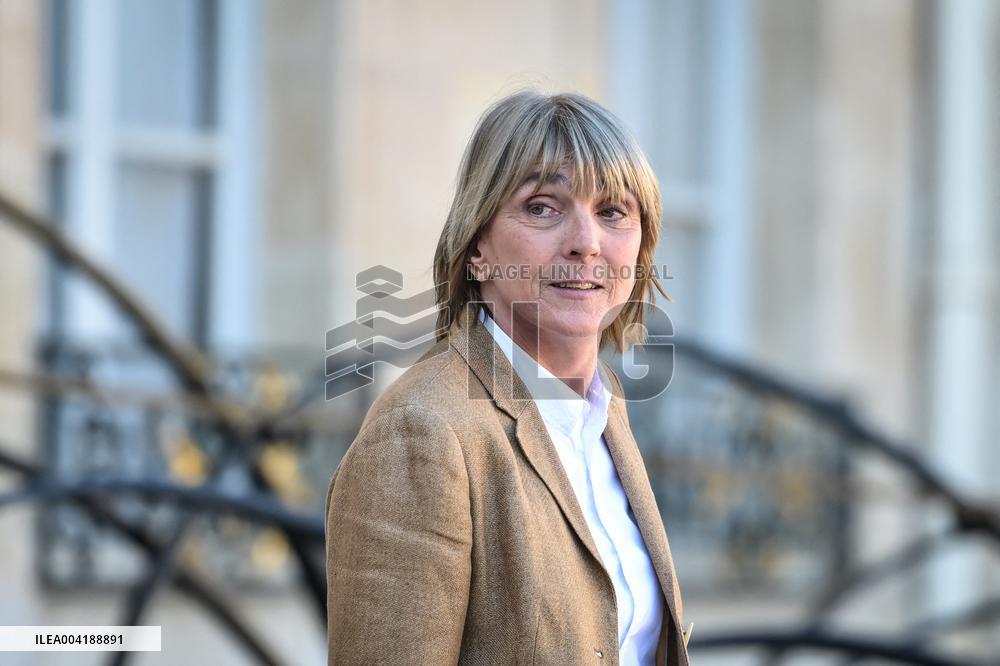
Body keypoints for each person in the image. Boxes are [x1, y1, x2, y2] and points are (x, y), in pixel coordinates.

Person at [325, 90, 691, 665]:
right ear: (477, 246)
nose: (586, 243)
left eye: (613, 211)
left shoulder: (602, 415)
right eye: (543, 207)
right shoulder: (420, 433)